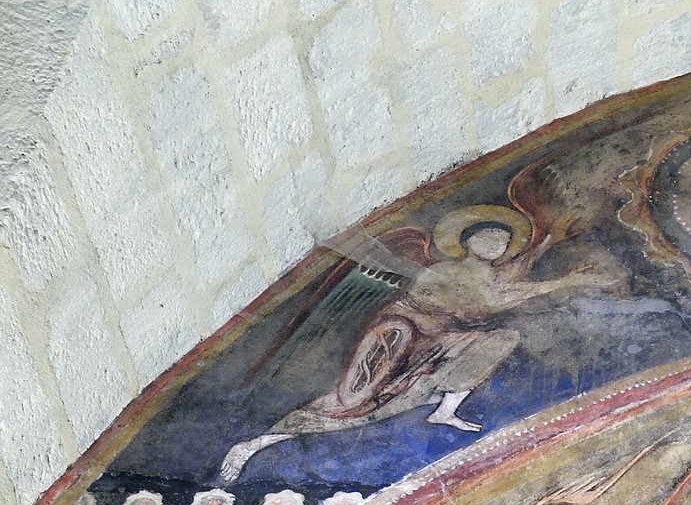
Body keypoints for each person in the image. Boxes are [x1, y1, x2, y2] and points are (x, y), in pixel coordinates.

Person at [219, 204, 578, 483]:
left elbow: (501, 290)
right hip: (399, 331)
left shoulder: (488, 274)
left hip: (440, 340)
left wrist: (550, 248)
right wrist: (567, 280)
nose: (495, 243)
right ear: (466, 242)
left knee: (502, 338)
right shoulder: (448, 269)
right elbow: (490, 300)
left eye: (502, 241)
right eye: (487, 236)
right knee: (349, 405)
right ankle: (256, 443)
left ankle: (446, 408)